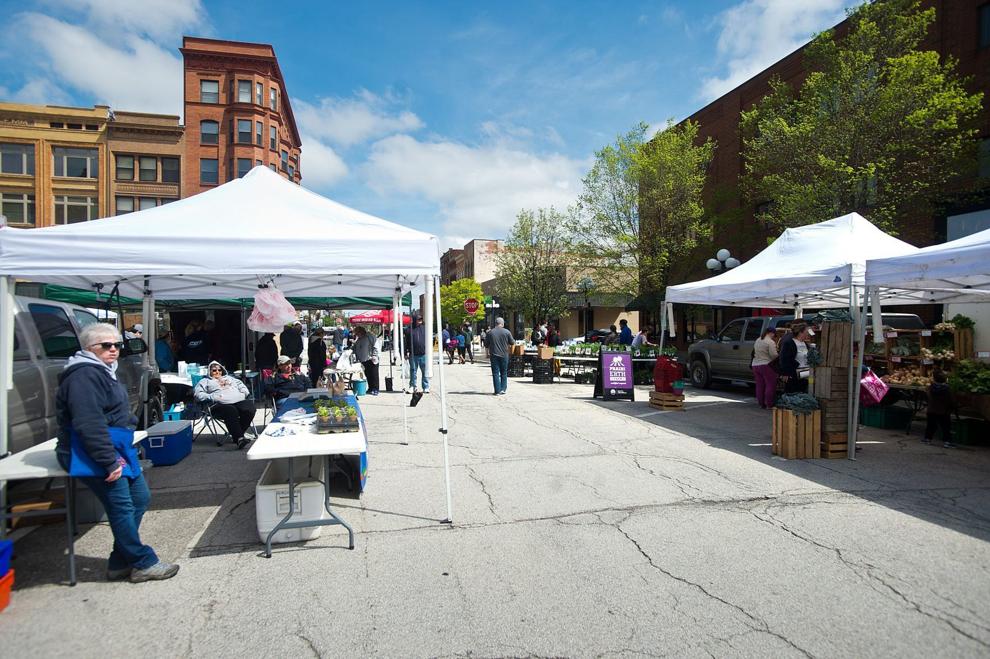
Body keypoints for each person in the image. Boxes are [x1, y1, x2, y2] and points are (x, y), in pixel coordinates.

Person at [55, 322, 179, 582]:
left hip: (115, 445)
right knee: (121, 505)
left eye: (117, 345)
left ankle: (119, 561)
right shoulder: (83, 375)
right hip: (94, 450)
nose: (114, 350)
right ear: (89, 348)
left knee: (140, 498)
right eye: (106, 345)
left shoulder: (101, 370)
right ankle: (142, 562)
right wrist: (108, 461)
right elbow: (88, 422)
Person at [193, 361, 257, 449]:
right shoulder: (205, 381)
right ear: (210, 371)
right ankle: (239, 438)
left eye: (219, 370)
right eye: (214, 370)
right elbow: (198, 394)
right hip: (218, 404)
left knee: (250, 408)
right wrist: (211, 396)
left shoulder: (230, 378)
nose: (217, 372)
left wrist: (244, 392)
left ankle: (237, 434)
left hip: (238, 400)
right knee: (231, 411)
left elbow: (241, 385)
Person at [778, 322, 813, 394]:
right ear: (800, 333)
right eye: (806, 332)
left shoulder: (805, 344)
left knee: (803, 391)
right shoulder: (789, 343)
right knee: (792, 392)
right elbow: (784, 359)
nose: (808, 334)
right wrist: (785, 373)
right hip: (793, 373)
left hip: (806, 373)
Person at [924, 370, 956, 447]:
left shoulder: (930, 387)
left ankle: (927, 439)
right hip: (943, 411)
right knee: (945, 426)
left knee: (931, 425)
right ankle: (947, 442)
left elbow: (927, 396)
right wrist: (953, 407)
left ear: (934, 379)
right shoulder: (947, 389)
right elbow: (951, 400)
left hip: (931, 410)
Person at [751, 327, 779, 409]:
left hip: (755, 365)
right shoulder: (770, 342)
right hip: (766, 365)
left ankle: (761, 403)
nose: (774, 336)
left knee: (760, 385)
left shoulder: (758, 340)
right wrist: (779, 354)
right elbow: (773, 355)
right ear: (771, 333)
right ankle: (769, 404)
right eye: (774, 334)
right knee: (770, 384)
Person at [485, 317, 513, 395]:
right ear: (502, 323)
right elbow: (512, 342)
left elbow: (486, 344)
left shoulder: (490, 332)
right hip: (504, 355)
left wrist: (487, 354)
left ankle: (497, 390)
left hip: (494, 355)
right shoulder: (507, 332)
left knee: (495, 373)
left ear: (495, 323)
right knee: (504, 372)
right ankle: (503, 389)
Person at [352, 326, 381, 395]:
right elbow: (355, 348)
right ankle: (370, 388)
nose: (357, 335)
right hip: (363, 360)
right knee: (368, 375)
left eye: (357, 333)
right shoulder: (359, 339)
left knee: (374, 375)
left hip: (371, 359)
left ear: (361, 331)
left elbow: (376, 346)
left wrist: (374, 355)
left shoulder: (369, 336)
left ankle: (375, 389)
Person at [405, 314, 429, 393]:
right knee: (413, 371)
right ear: (415, 320)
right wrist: (405, 352)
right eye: (418, 319)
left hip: (423, 354)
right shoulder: (409, 329)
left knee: (425, 371)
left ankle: (425, 386)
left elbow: (429, 339)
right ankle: (412, 386)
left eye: (421, 319)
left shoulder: (425, 328)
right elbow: (406, 342)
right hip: (413, 354)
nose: (420, 321)